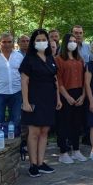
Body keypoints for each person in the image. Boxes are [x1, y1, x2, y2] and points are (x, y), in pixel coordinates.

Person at [21, 29, 61, 177]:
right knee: (34, 132)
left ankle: (40, 162)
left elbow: (55, 80)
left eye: (43, 39)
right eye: (38, 40)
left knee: (44, 131)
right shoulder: (29, 59)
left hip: (49, 99)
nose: (41, 42)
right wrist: (25, 102)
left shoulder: (50, 58)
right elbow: (24, 81)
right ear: (33, 42)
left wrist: (57, 98)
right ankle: (32, 165)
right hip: (34, 99)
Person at [55, 34, 87, 163]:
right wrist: (66, 97)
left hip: (79, 93)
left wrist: (83, 95)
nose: (73, 43)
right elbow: (58, 80)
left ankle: (76, 150)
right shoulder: (59, 59)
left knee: (77, 123)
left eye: (75, 41)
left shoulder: (80, 59)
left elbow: (85, 79)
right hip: (65, 94)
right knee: (64, 124)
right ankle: (63, 152)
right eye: (70, 41)